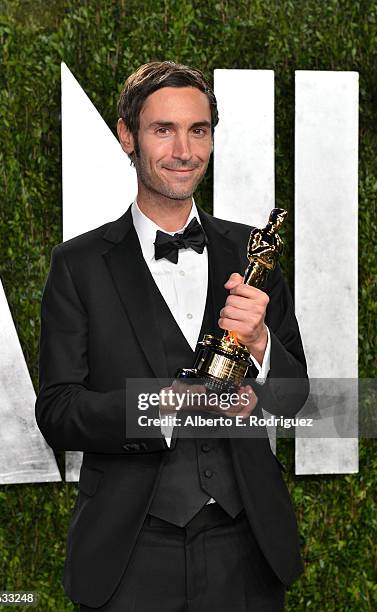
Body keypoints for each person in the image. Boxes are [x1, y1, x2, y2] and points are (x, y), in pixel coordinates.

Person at [35, 61, 309, 612]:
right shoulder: (78, 265)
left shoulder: (253, 255)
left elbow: (295, 394)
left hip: (247, 550)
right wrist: (156, 408)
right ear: (126, 136)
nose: (185, 149)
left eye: (198, 130)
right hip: (130, 555)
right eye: (164, 129)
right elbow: (59, 411)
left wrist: (261, 349)